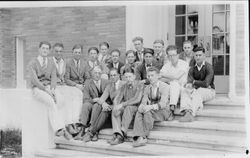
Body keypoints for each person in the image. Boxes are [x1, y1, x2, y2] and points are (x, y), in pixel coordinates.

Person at [28, 41, 71, 139]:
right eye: (43, 48)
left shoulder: (51, 62)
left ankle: (64, 126)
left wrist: (52, 90)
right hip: (38, 89)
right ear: (39, 49)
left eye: (47, 49)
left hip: (49, 88)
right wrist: (47, 91)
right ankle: (59, 129)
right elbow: (35, 81)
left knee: (61, 100)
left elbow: (54, 77)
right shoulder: (32, 63)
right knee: (51, 102)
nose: (45, 50)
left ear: (49, 51)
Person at [82, 68, 126, 142]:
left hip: (122, 107)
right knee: (104, 110)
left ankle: (91, 131)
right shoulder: (110, 86)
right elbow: (102, 98)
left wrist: (115, 105)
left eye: (114, 75)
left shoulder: (124, 84)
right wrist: (104, 103)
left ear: (118, 75)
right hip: (113, 108)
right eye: (111, 75)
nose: (113, 77)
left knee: (109, 109)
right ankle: (92, 131)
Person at [132, 67, 171, 147]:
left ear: (158, 76)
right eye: (148, 76)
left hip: (163, 111)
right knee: (139, 112)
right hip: (152, 111)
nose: (150, 78)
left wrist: (150, 107)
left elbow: (163, 104)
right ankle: (138, 136)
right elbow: (144, 101)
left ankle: (143, 136)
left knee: (147, 112)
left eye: (152, 75)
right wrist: (141, 106)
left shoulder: (165, 86)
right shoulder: (147, 88)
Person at [52, 43, 83, 137]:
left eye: (60, 51)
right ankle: (67, 124)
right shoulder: (50, 61)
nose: (58, 53)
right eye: (56, 51)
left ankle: (74, 122)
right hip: (53, 86)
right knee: (63, 99)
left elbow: (64, 77)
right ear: (53, 51)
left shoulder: (63, 62)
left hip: (62, 85)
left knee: (75, 95)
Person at [108, 67, 144, 145]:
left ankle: (123, 131)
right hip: (127, 109)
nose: (128, 79)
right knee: (115, 109)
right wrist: (116, 105)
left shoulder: (140, 84)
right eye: (126, 77)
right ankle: (118, 133)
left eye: (130, 77)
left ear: (134, 76)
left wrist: (122, 104)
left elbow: (137, 99)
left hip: (137, 109)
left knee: (128, 108)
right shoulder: (124, 86)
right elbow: (118, 98)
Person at [179, 47, 215, 122]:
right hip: (196, 89)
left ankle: (192, 114)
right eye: (196, 55)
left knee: (198, 92)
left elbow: (206, 83)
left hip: (209, 90)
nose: (198, 57)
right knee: (184, 91)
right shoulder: (192, 68)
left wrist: (194, 82)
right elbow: (189, 82)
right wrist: (189, 85)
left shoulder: (209, 67)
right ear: (194, 56)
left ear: (204, 56)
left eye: (200, 55)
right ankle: (186, 112)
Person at [74, 66, 110, 140]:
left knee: (97, 106)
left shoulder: (106, 82)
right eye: (95, 73)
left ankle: (93, 131)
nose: (97, 75)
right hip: (93, 103)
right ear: (92, 74)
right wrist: (95, 100)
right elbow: (86, 98)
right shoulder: (88, 82)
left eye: (99, 73)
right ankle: (82, 129)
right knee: (85, 105)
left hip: (103, 104)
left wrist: (100, 101)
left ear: (101, 74)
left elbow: (109, 97)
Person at [160, 45, 189, 119]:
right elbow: (160, 79)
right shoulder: (166, 65)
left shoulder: (184, 64)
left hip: (183, 87)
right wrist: (172, 79)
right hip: (172, 89)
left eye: (174, 55)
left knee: (175, 84)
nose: (172, 57)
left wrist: (165, 75)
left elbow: (177, 76)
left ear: (178, 55)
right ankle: (172, 107)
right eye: (169, 56)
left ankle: (172, 109)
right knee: (174, 84)